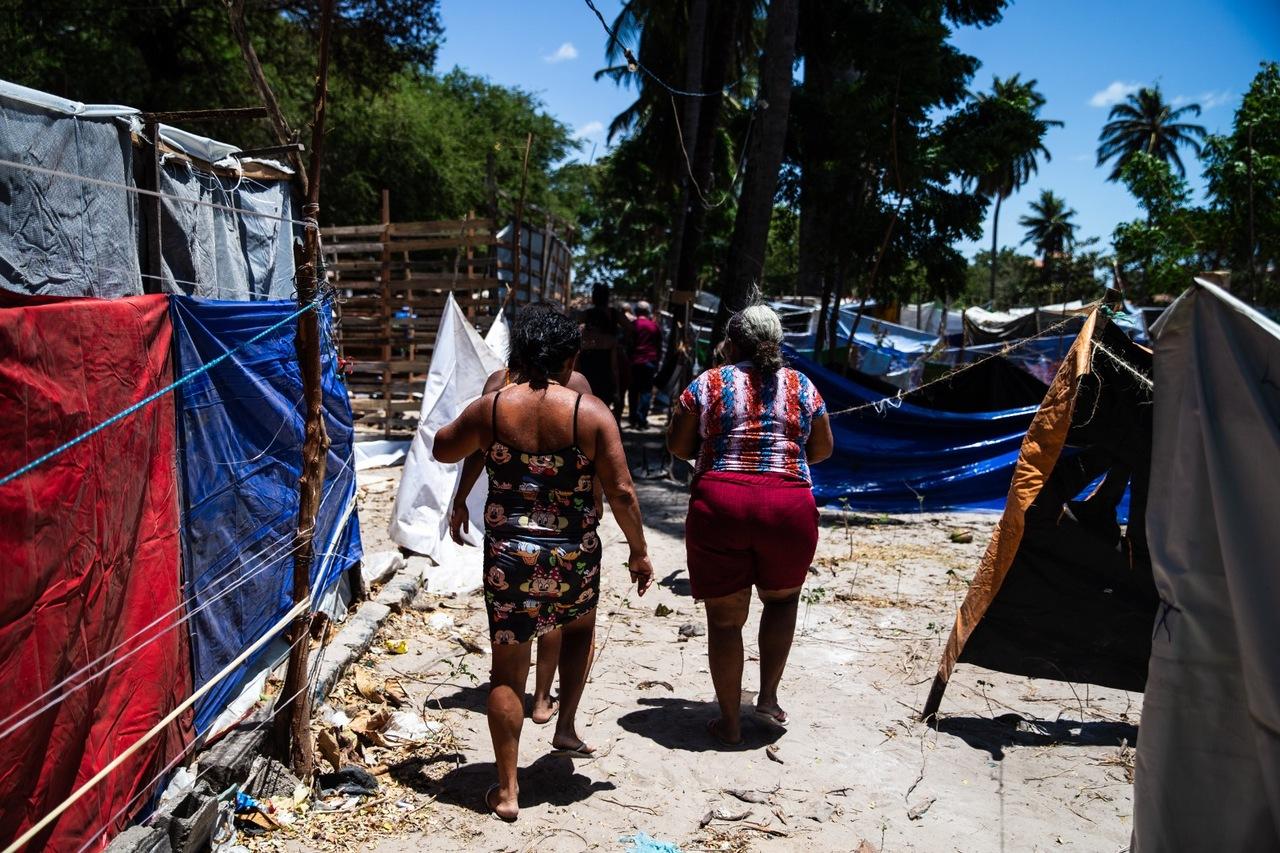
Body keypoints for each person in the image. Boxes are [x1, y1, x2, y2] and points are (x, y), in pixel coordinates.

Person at [433, 308, 654, 822]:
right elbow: (621, 491)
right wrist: (639, 551)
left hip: (508, 559)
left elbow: (444, 448)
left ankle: (507, 792)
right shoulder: (590, 412)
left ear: (517, 357)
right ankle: (565, 725)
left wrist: (479, 424)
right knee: (578, 632)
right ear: (571, 358)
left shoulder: (492, 408)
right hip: (573, 553)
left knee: (507, 672)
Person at [666, 305, 834, 746]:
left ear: (731, 342)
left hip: (720, 506)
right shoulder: (802, 385)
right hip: (788, 507)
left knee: (724, 623)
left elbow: (678, 445)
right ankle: (768, 698)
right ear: (776, 345)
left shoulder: (708, 383)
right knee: (781, 602)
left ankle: (730, 722)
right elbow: (822, 450)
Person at [449, 303, 600, 727]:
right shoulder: (578, 389)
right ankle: (542, 700)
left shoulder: (496, 390)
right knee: (558, 615)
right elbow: (599, 456)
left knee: (519, 626)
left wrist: (462, 498)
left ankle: (538, 698)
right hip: (566, 533)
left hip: (511, 537)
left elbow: (465, 447)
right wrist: (598, 501)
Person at [578, 285, 622, 417]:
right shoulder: (611, 337)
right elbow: (614, 368)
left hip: (587, 378)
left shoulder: (583, 338)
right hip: (605, 379)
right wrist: (617, 389)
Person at [628, 301, 661, 429]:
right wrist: (657, 362)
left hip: (634, 362)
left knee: (633, 391)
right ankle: (642, 420)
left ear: (636, 311)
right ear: (647, 312)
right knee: (646, 392)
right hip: (649, 363)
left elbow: (627, 343)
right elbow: (658, 346)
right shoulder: (654, 326)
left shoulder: (633, 325)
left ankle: (632, 419)